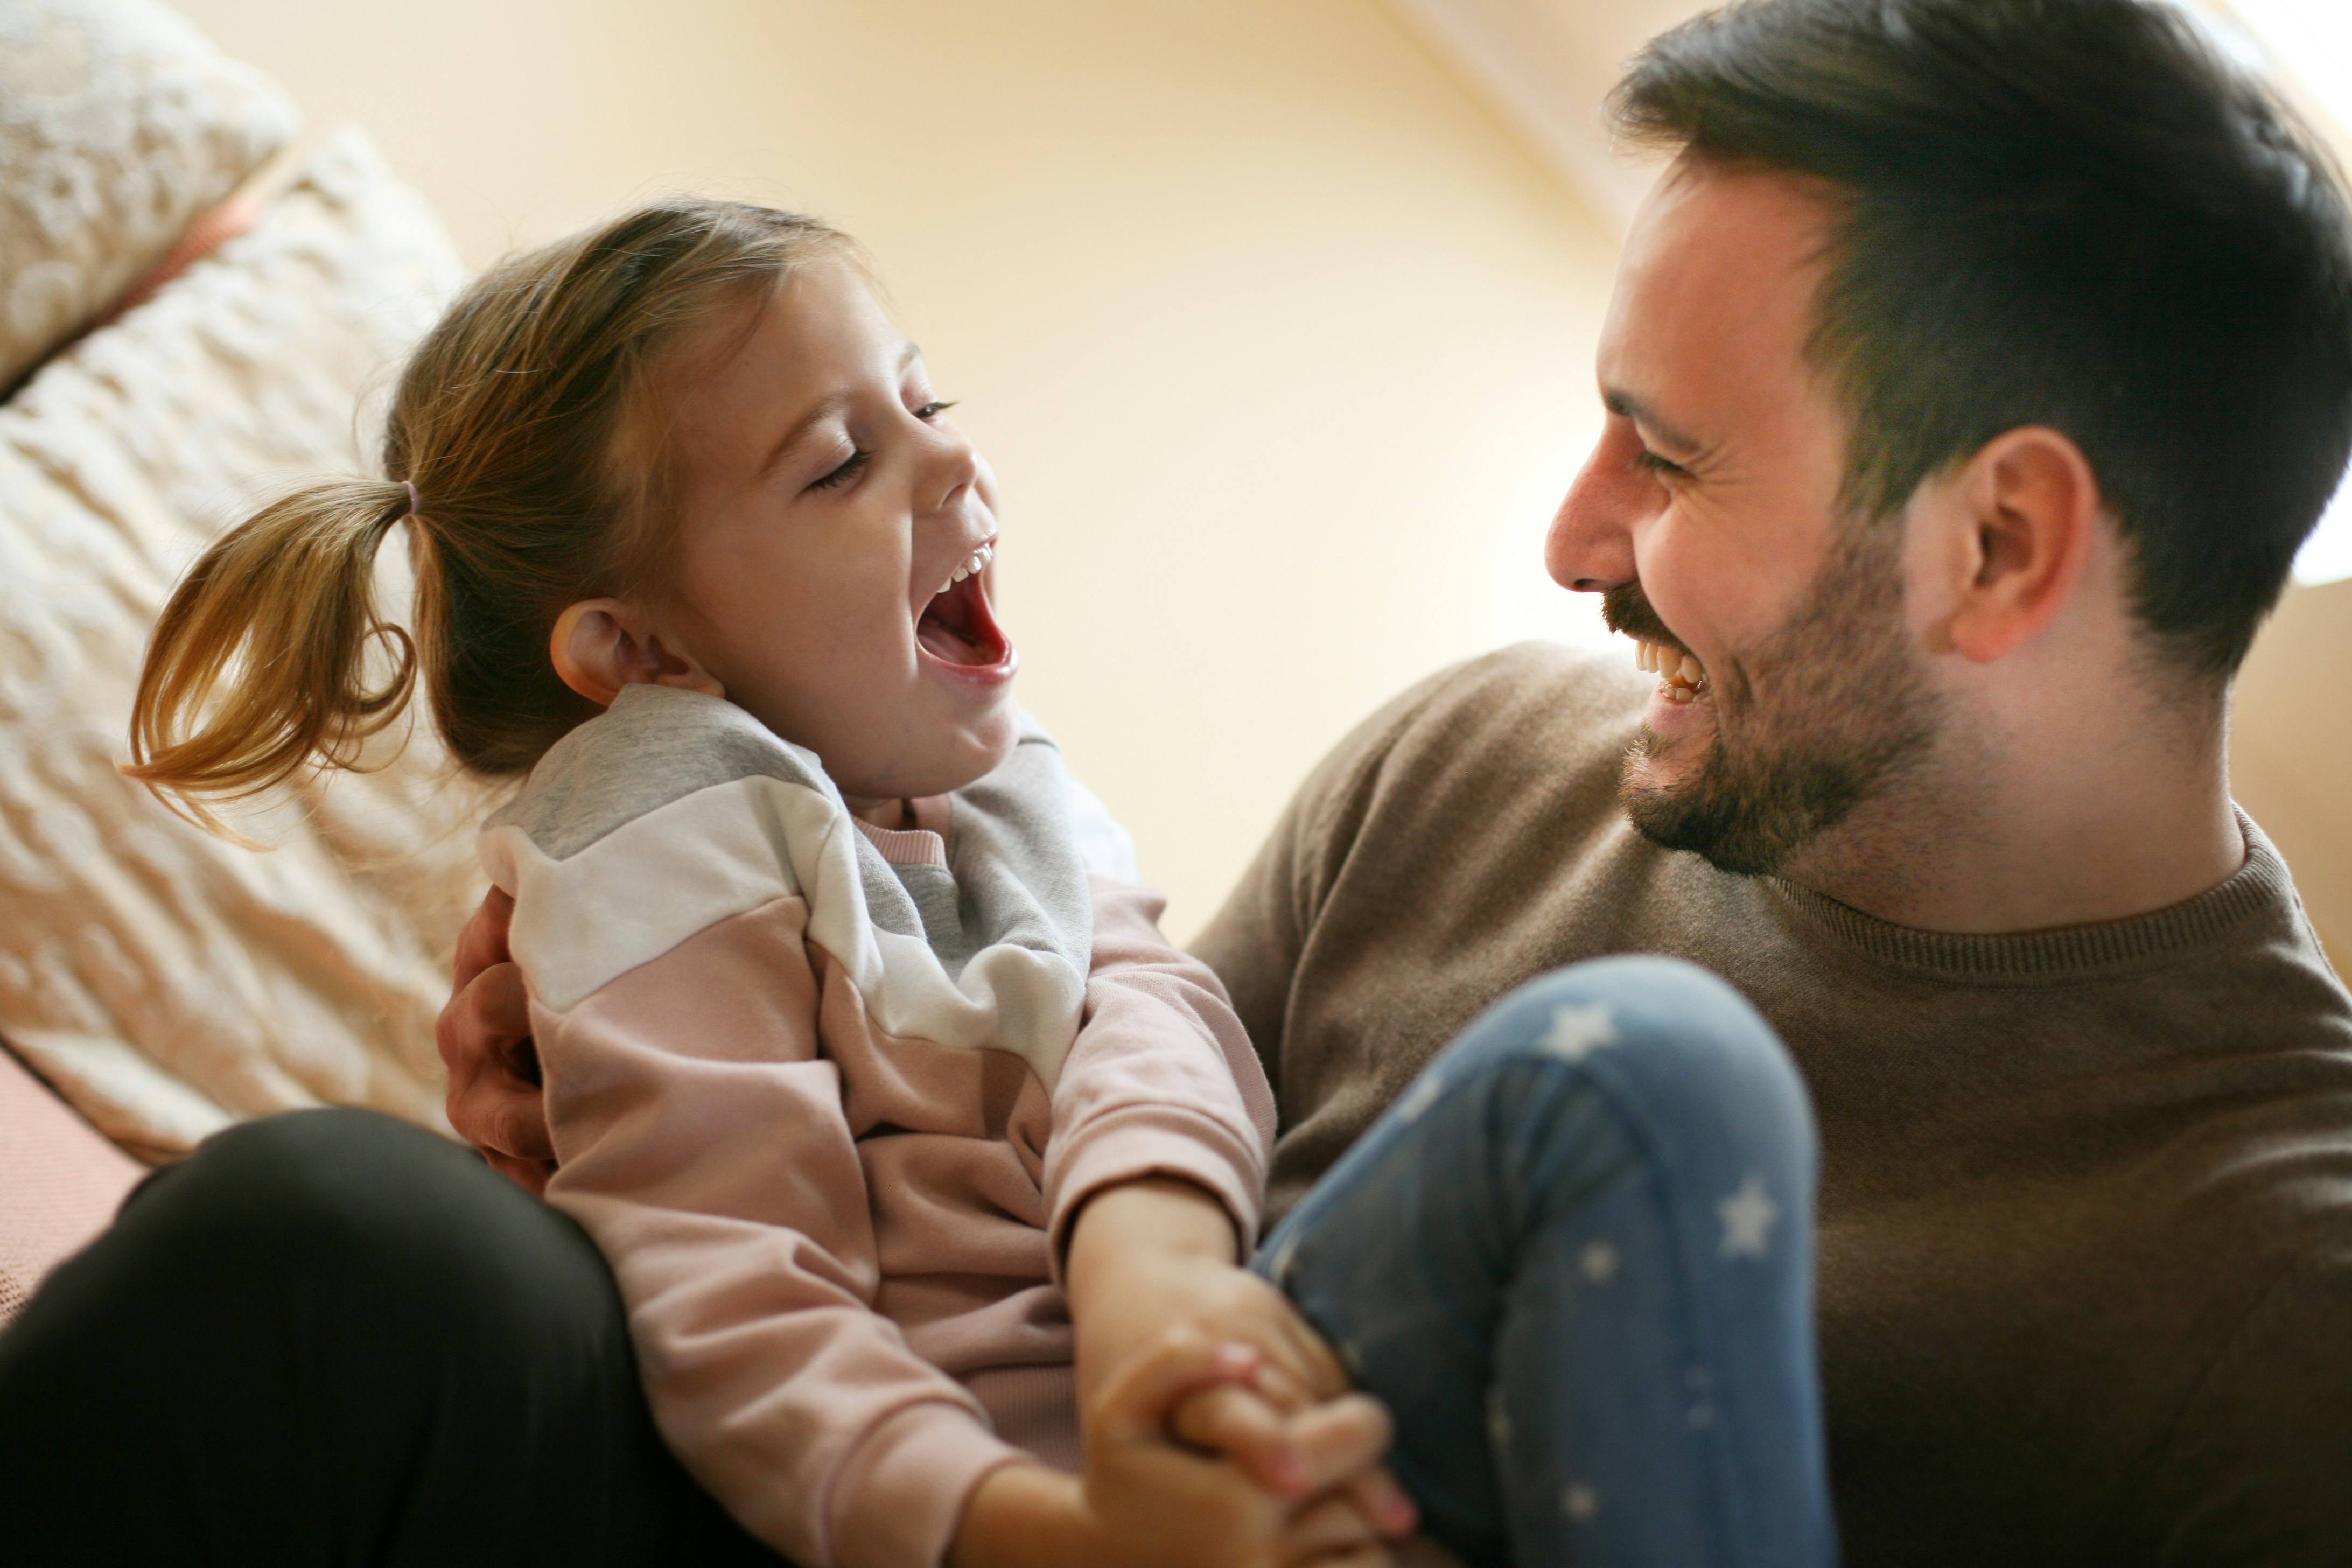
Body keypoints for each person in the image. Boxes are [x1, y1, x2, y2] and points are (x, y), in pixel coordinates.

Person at [435, 0, 2352, 1561]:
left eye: (1666, 462)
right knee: (347, 1245)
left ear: (2002, 548)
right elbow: (993, 1188)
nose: (1569, 541)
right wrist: (645, 1095)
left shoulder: (2278, 1300)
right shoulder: (1471, 767)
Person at [0, 197, 1837, 1568]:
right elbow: (741, 1298)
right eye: (840, 462)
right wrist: (1068, 1537)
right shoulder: (670, 817)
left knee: (1642, 1077)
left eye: (927, 397)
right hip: (945, 1522)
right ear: (640, 659)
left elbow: (1143, 1009)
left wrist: (1154, 1292)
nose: (953, 451)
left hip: (1153, 1431)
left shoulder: (996, 798)